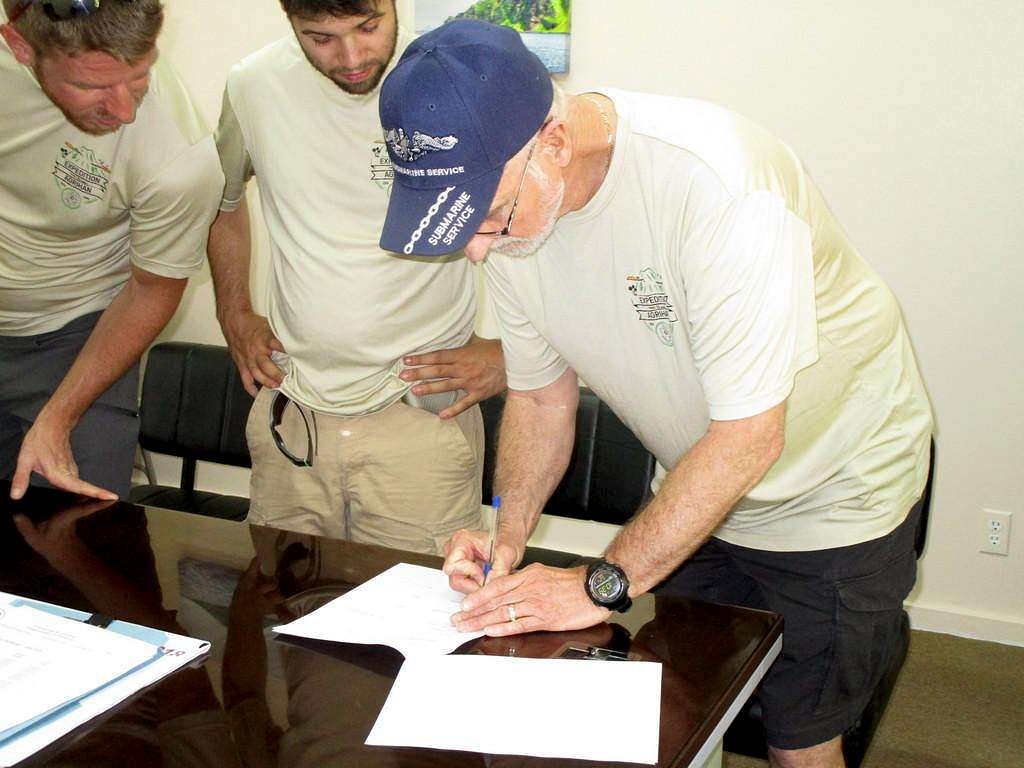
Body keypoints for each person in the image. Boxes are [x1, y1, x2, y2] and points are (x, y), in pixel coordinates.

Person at [378, 20, 933, 768]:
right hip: (701, 479)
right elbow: (542, 403)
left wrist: (602, 581)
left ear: (553, 140)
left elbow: (750, 437)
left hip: (833, 493)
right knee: (674, 704)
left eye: (489, 215)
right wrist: (505, 534)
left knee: (799, 739)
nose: (477, 247)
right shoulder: (515, 228)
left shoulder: (717, 188)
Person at [208, 0, 505, 555]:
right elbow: (221, 203)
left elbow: (538, 208)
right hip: (293, 416)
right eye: (319, 37)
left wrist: (513, 353)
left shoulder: (457, 74)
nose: (349, 58)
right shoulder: (252, 86)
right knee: (280, 620)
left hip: (417, 420)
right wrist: (233, 313)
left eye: (368, 28)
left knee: (422, 626)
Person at [0, 0, 223, 501]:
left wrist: (57, 419)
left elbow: (151, 289)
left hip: (79, 338)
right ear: (18, 48)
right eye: (91, 86)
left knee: (75, 537)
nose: (124, 110)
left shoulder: (179, 158)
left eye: (140, 76)